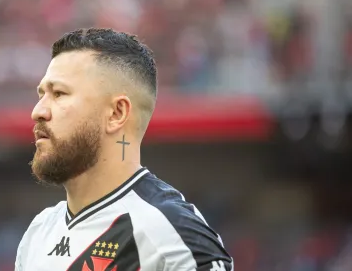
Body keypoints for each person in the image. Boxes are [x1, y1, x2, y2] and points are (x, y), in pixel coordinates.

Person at [15, 28, 233, 271]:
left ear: (117, 113)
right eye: (41, 94)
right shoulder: (38, 232)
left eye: (59, 94)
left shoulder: (171, 234)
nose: (38, 111)